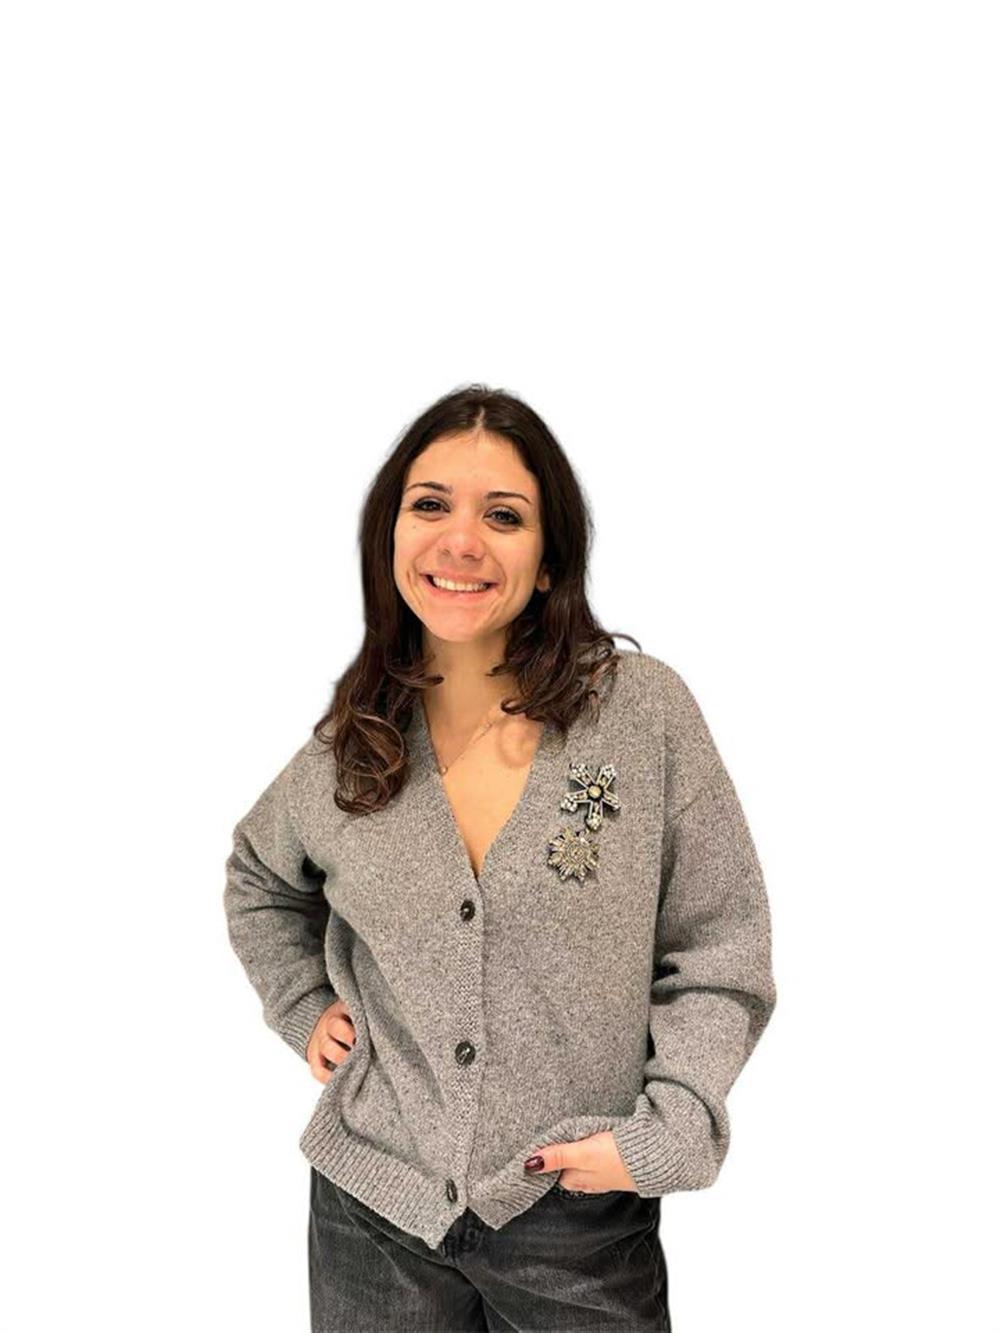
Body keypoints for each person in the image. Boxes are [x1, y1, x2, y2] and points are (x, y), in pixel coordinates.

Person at [223, 383, 777, 1332]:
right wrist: (304, 1006)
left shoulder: (638, 714)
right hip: (373, 1211)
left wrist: (672, 1122)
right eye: (430, 504)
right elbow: (258, 877)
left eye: (504, 515)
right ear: (389, 534)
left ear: (550, 555)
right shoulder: (353, 745)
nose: (460, 541)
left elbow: (720, 942)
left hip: (576, 1212)